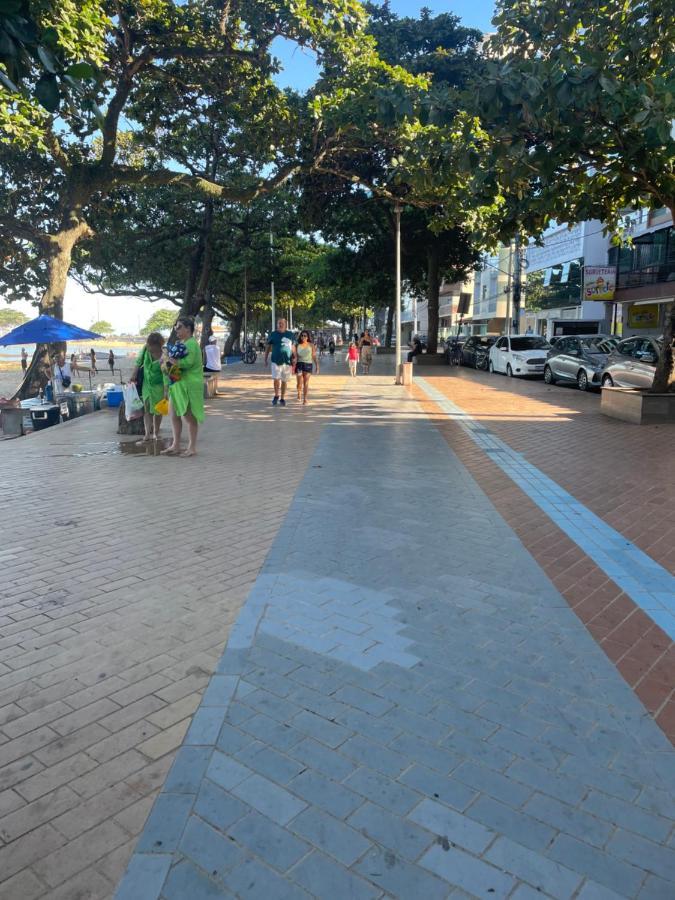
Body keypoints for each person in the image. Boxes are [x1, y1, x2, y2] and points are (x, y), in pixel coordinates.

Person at [160, 316, 205, 457]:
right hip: (177, 384)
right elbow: (174, 364)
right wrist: (167, 362)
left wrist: (172, 361)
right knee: (173, 415)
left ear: (188, 328)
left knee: (189, 417)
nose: (176, 329)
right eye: (175, 327)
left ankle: (192, 447)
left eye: (179, 327)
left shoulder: (191, 344)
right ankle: (176, 445)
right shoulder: (181, 343)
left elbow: (188, 363)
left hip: (188, 385)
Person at [130, 331, 165, 444]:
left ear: (158, 345)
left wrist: (166, 391)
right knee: (147, 410)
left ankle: (156, 432)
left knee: (158, 411)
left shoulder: (164, 355)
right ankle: (147, 434)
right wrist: (134, 374)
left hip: (159, 386)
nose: (148, 347)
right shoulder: (145, 349)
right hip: (146, 385)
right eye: (148, 345)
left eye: (151, 346)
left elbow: (166, 374)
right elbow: (138, 361)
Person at [264, 317, 295, 406]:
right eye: (279, 323)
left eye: (282, 323)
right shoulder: (273, 334)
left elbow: (293, 347)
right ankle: (276, 395)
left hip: (287, 362)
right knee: (276, 379)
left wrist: (295, 357)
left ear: (286, 325)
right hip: (275, 361)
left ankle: (282, 398)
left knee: (284, 381)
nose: (280, 324)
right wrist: (265, 359)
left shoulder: (290, 334)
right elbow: (268, 347)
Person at [294, 330, 319, 405]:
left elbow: (314, 356)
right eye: (302, 335)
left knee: (306, 382)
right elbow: (295, 356)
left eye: (305, 336)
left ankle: (305, 399)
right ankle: (299, 392)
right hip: (299, 365)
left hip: (308, 365)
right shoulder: (297, 345)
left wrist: (317, 366)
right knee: (299, 383)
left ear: (308, 337)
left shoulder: (311, 345)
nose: (303, 337)